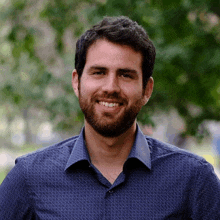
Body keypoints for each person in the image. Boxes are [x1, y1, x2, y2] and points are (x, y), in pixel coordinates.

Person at [0, 16, 220, 220]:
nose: (111, 87)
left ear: (147, 89)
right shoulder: (30, 177)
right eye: (99, 72)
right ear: (76, 82)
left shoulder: (193, 180)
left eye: (125, 75)